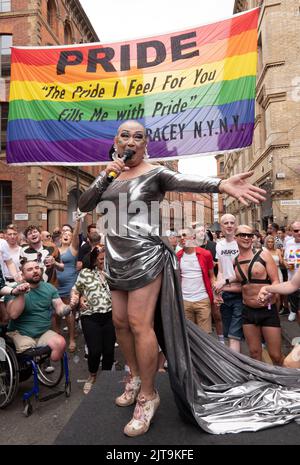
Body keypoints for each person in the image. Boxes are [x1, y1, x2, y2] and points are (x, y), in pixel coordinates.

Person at [78, 120, 268, 437]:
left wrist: (223, 185)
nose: (131, 140)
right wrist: (105, 173)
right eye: (125, 135)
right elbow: (85, 204)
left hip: (145, 255)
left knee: (140, 324)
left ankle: (148, 395)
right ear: (117, 140)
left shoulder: (156, 172)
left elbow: (188, 181)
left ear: (145, 144)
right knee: (121, 323)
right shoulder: (110, 175)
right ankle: (135, 376)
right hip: (115, 256)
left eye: (138, 136)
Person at [225, 225, 283, 365]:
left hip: (267, 310)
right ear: (235, 237)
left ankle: (287, 383)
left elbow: (276, 281)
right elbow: (243, 285)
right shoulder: (235, 261)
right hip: (248, 311)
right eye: (242, 235)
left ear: (253, 238)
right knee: (254, 353)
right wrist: (223, 286)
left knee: (275, 355)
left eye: (249, 235)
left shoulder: (264, 255)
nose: (246, 238)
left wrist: (270, 294)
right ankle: (262, 383)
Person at [70, 245, 116, 394]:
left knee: (109, 351)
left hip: (110, 316)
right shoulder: (85, 273)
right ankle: (92, 376)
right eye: (102, 259)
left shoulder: (114, 272)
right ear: (95, 260)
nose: (104, 261)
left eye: (107, 259)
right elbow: (76, 289)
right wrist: (77, 298)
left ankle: (108, 377)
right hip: (90, 316)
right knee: (95, 351)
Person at [5, 259, 71, 360]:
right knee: (29, 351)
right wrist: (21, 293)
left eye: (37, 268)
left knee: (61, 343)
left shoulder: (49, 288)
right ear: (22, 275)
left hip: (43, 332)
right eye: (30, 269)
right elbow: (13, 315)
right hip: (20, 333)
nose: (35, 271)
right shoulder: (14, 290)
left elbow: (60, 309)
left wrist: (70, 306)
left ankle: (43, 365)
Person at [214, 214, 243, 352]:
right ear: (221, 226)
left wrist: (224, 282)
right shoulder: (219, 245)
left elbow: (244, 271)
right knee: (229, 334)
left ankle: (235, 369)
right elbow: (220, 269)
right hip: (225, 293)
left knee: (234, 335)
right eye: (226, 223)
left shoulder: (241, 243)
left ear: (235, 225)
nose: (229, 225)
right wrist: (218, 287)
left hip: (240, 292)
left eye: (232, 222)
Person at [54, 218, 81, 353]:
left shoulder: (73, 249)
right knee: (56, 312)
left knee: (69, 311)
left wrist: (78, 221)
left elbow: (76, 235)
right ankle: (57, 337)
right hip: (56, 284)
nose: (66, 235)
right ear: (60, 237)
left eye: (69, 235)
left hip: (70, 283)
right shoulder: (56, 249)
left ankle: (71, 339)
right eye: (64, 234)